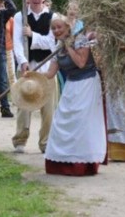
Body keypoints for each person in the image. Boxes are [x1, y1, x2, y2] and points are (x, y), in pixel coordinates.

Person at [41, 14, 105, 175]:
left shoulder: (81, 40)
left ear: (67, 28)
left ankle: (82, 164)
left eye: (59, 27)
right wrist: (34, 77)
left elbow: (81, 63)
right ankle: (61, 163)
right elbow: (50, 73)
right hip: (71, 85)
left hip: (88, 83)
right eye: (53, 28)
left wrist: (68, 46)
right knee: (61, 121)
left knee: (82, 122)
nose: (56, 30)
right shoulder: (57, 48)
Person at [12, 0, 58, 154]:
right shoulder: (20, 17)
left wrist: (33, 36)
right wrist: (22, 61)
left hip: (47, 66)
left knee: (48, 107)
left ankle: (46, 142)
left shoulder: (54, 17)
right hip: (27, 66)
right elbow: (17, 42)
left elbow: (53, 43)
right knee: (24, 103)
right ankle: (20, 139)